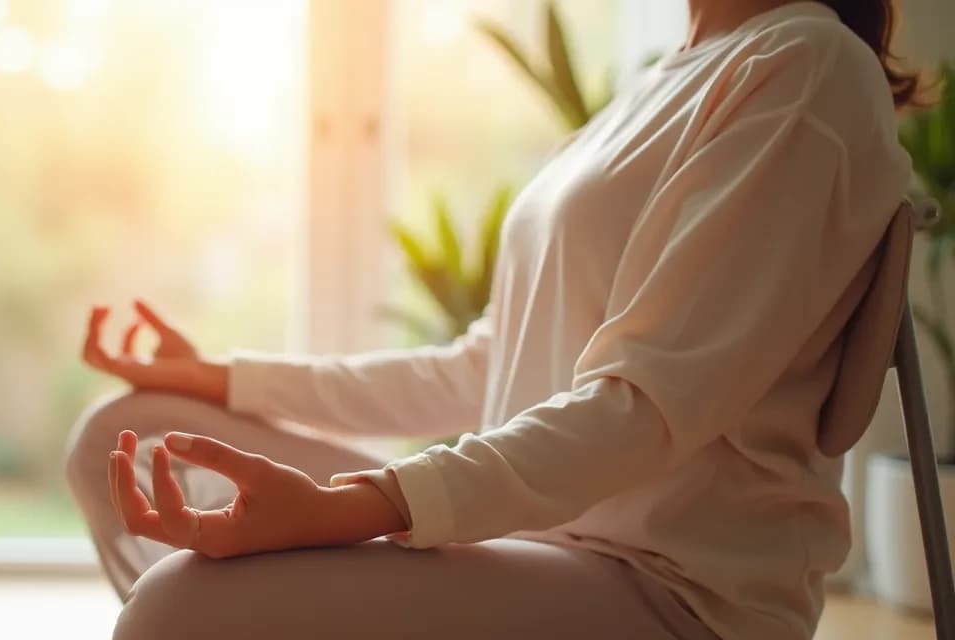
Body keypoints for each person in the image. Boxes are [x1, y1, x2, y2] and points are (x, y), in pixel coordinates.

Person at [66, 1, 926, 638]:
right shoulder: (662, 78)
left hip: (670, 590)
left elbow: (643, 406)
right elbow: (482, 369)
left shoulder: (809, 68)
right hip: (534, 536)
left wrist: (345, 508)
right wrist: (220, 378)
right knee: (124, 433)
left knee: (179, 613)